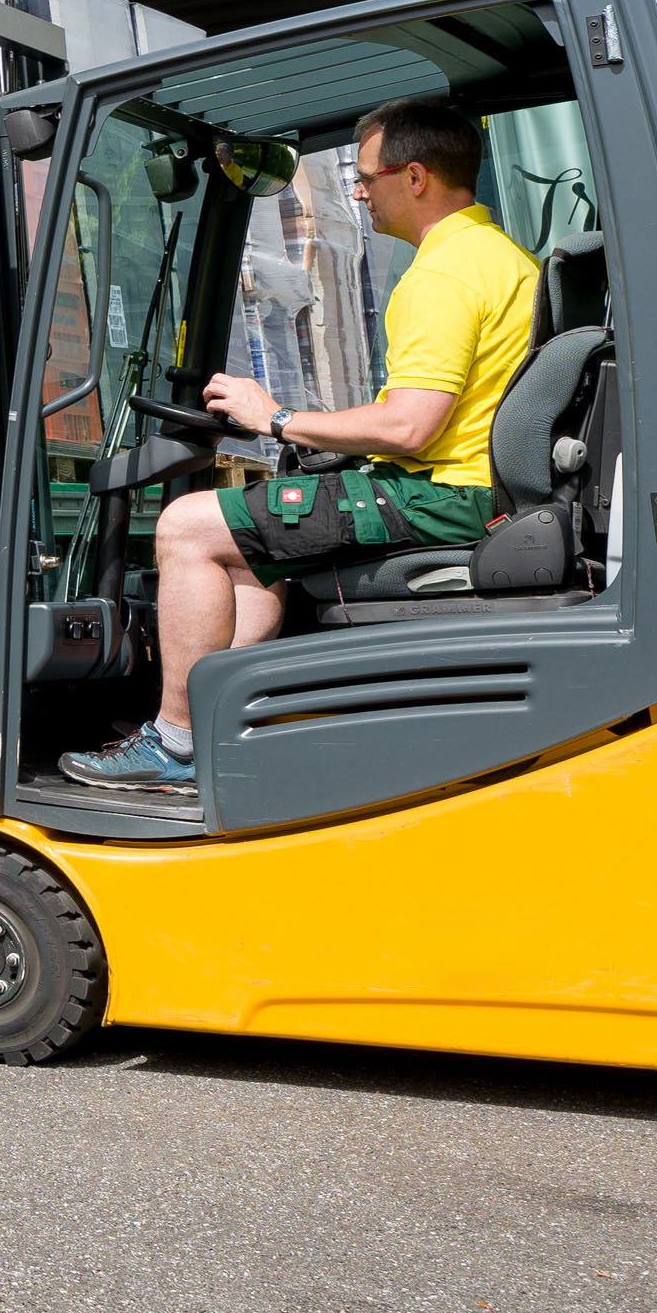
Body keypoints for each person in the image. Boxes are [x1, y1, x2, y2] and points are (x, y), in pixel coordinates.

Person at [65, 95, 541, 792]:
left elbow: (411, 426)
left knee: (185, 525)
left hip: (438, 496)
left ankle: (171, 742)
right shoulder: (505, 259)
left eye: (368, 176)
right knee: (253, 543)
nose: (358, 190)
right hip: (472, 490)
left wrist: (279, 416)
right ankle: (223, 727)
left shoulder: (441, 274)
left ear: (415, 178)